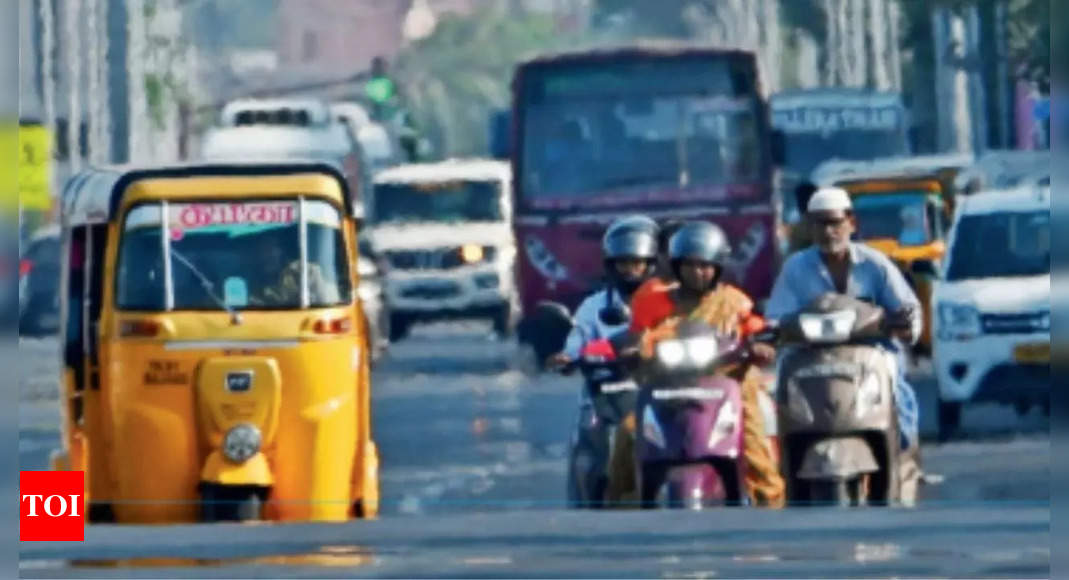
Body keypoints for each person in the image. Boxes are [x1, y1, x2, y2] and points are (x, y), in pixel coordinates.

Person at [627, 221, 786, 508]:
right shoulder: (652, 299)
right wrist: (630, 350)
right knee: (626, 439)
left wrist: (760, 345)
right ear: (676, 266)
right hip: (666, 389)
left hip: (730, 389)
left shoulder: (734, 302)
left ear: (718, 267)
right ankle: (619, 517)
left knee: (756, 453)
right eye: (690, 265)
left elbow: (754, 327)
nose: (698, 273)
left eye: (705, 266)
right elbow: (634, 336)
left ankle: (771, 516)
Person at [765, 186, 921, 454]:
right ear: (810, 228)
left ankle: (902, 444)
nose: (828, 232)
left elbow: (907, 307)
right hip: (811, 355)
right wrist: (771, 334)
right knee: (781, 379)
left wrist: (905, 327)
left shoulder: (875, 264)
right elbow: (776, 318)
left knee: (893, 377)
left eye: (835, 223)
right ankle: (788, 451)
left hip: (871, 351)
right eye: (820, 224)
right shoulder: (795, 268)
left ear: (851, 223)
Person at [546, 215, 659, 507]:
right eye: (624, 264)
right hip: (605, 393)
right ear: (611, 266)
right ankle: (588, 500)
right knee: (590, 436)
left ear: (652, 264)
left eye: (638, 263)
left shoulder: (669, 303)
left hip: (659, 391)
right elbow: (577, 340)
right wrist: (568, 356)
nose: (632, 271)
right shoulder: (593, 307)